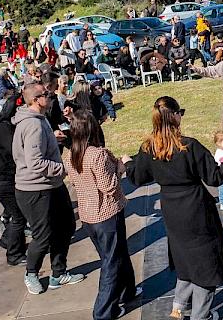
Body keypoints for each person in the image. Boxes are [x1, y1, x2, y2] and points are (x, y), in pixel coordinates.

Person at [123, 96, 223, 320]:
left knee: (184, 256)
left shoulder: (148, 147)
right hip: (195, 207)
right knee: (205, 263)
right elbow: (214, 177)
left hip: (171, 208)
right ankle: (201, 315)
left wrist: (128, 162)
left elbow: (138, 176)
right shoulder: (190, 145)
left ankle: (179, 305)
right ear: (175, 116)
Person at [64, 109, 140, 319]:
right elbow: (109, 186)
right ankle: (104, 311)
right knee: (111, 262)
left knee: (118, 254)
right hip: (107, 214)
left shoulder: (70, 155)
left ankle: (127, 292)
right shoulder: (98, 155)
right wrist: (121, 167)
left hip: (88, 215)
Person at [12, 83, 84, 295]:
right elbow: (35, 163)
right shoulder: (32, 125)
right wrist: (63, 169)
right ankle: (31, 273)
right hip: (35, 189)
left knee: (66, 227)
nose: (51, 96)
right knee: (43, 235)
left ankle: (58, 273)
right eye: (46, 94)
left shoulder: (39, 120)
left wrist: (53, 139)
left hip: (52, 185)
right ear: (36, 100)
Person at [0, 93, 27, 267]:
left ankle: (6, 240)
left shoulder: (5, 126)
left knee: (15, 213)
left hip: (3, 179)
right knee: (19, 217)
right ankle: (14, 255)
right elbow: (17, 151)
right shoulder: (4, 129)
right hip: (2, 182)